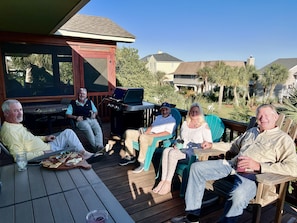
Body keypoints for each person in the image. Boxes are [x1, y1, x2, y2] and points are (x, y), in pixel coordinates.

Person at [171, 104, 297, 223]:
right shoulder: (252, 131)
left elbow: (293, 168)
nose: (262, 118)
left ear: (275, 117)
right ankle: (192, 217)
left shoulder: (283, 139)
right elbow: (232, 146)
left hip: (254, 177)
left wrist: (259, 166)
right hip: (231, 165)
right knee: (196, 168)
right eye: (259, 115)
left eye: (266, 115)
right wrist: (212, 145)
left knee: (238, 194)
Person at [0, 99, 98, 162]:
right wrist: (42, 153)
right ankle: (84, 154)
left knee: (68, 132)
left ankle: (83, 153)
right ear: (6, 113)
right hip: (46, 153)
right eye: (15, 111)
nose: (20, 113)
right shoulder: (10, 132)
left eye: (20, 110)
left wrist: (44, 137)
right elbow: (18, 157)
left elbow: (29, 139)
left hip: (46, 146)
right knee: (69, 136)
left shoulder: (14, 125)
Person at [153, 102, 213, 195]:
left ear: (200, 113)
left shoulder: (204, 126)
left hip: (192, 153)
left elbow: (209, 142)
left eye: (196, 112)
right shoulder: (185, 123)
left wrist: (207, 144)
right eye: (192, 111)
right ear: (189, 112)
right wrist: (176, 143)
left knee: (172, 154)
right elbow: (179, 138)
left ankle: (168, 183)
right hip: (182, 149)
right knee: (166, 150)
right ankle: (163, 181)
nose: (194, 113)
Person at [119, 102, 176, 173]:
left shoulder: (172, 120)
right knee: (128, 132)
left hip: (156, 139)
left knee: (143, 137)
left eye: (166, 109)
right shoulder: (159, 117)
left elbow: (167, 133)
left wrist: (149, 135)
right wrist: (146, 132)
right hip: (148, 135)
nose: (164, 111)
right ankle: (130, 156)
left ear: (169, 110)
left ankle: (141, 161)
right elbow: (151, 126)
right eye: (162, 110)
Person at [65, 88, 104, 152]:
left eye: (83, 94)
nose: (82, 95)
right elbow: (67, 114)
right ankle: (97, 148)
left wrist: (94, 114)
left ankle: (100, 146)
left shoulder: (89, 102)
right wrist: (75, 117)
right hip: (81, 121)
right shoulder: (73, 103)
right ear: (78, 95)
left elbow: (95, 111)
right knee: (88, 130)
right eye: (80, 93)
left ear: (86, 95)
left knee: (98, 129)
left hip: (91, 119)